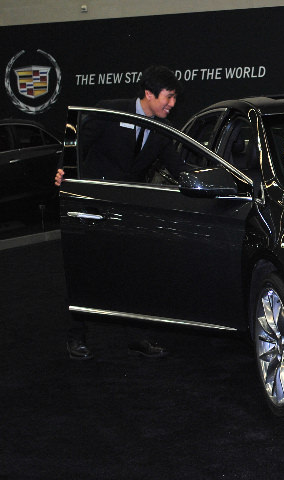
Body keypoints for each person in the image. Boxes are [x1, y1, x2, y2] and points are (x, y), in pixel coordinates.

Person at [57, 65, 188, 360]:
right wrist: (61, 171)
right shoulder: (110, 111)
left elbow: (177, 167)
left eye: (174, 98)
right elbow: (76, 145)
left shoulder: (163, 129)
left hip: (129, 209)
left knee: (134, 273)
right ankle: (77, 335)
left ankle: (136, 338)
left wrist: (207, 181)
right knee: (86, 271)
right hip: (92, 206)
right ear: (148, 94)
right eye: (168, 97)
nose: (172, 104)